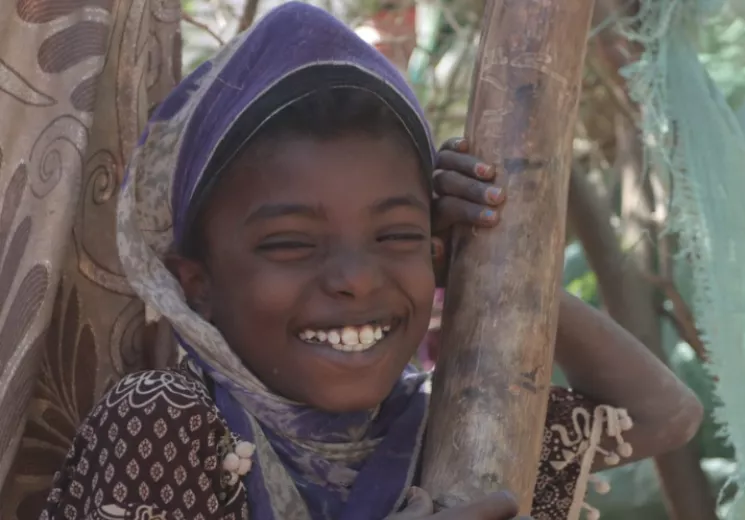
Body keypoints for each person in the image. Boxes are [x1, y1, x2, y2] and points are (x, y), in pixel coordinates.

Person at [39, 3, 702, 519]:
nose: (356, 278)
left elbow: (663, 415)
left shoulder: (443, 426)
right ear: (197, 286)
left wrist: (483, 261)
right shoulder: (170, 423)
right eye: (291, 244)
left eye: (395, 237)